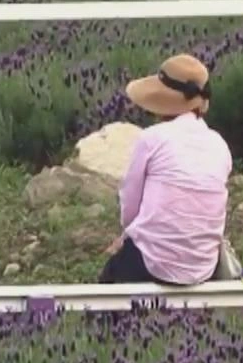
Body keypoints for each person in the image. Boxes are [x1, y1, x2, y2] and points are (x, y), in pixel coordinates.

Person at [99, 53, 234, 287]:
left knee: (109, 281)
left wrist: (127, 235)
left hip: (151, 263)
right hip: (203, 266)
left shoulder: (152, 138)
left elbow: (130, 204)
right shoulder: (220, 145)